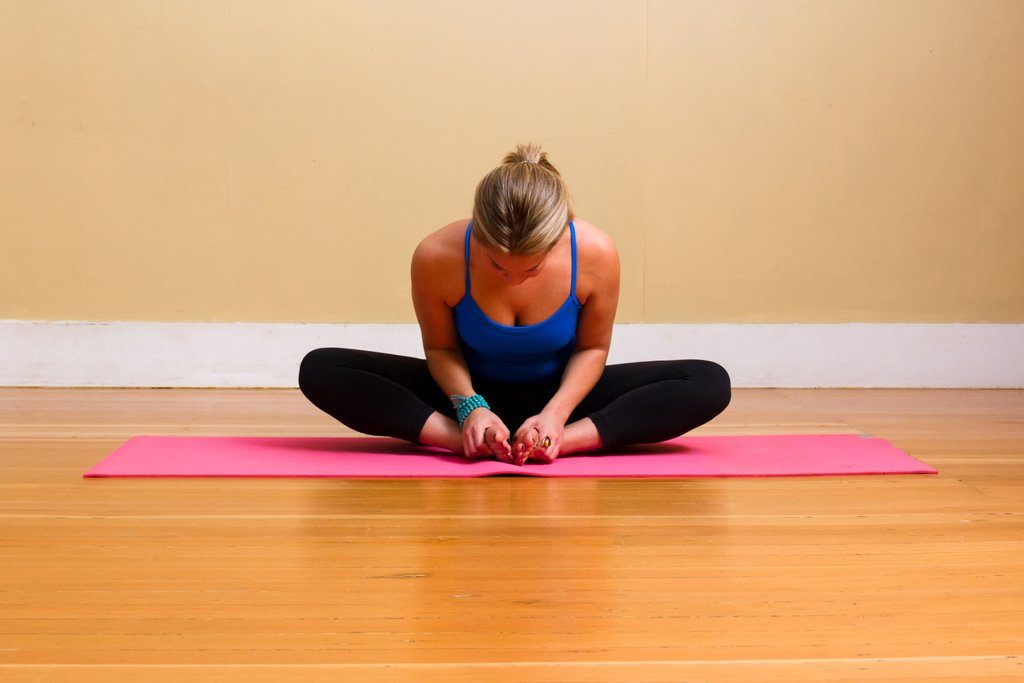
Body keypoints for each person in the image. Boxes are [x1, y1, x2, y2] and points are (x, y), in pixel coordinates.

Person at [298, 142, 731, 466]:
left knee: (708, 382)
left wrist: (556, 418)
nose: (513, 279)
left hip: (563, 398)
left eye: (532, 268)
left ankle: (559, 442)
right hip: (465, 395)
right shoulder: (436, 255)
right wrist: (471, 408)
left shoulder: (596, 253)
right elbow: (442, 350)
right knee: (321, 367)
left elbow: (592, 349)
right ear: (478, 234)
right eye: (497, 266)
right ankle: (460, 438)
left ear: (558, 237)